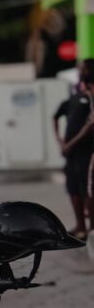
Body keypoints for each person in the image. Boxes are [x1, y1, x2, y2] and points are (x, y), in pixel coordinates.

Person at [53, 59, 94, 239]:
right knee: (74, 188)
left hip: (86, 152)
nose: (80, 73)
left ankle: (91, 228)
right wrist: (62, 142)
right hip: (72, 154)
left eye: (83, 70)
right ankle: (81, 226)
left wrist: (71, 143)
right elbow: (55, 116)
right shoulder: (75, 97)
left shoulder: (89, 97)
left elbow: (90, 125)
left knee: (88, 189)